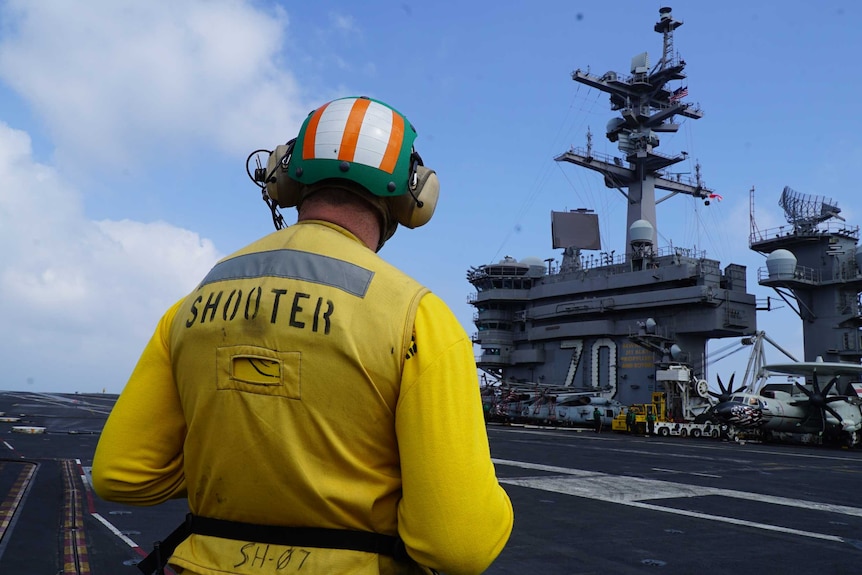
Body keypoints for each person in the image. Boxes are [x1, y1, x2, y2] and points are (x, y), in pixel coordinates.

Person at [92, 96, 514, 575]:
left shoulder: (188, 307)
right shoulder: (419, 318)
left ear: (285, 177)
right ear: (412, 196)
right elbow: (459, 544)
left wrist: (243, 470)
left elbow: (120, 475)